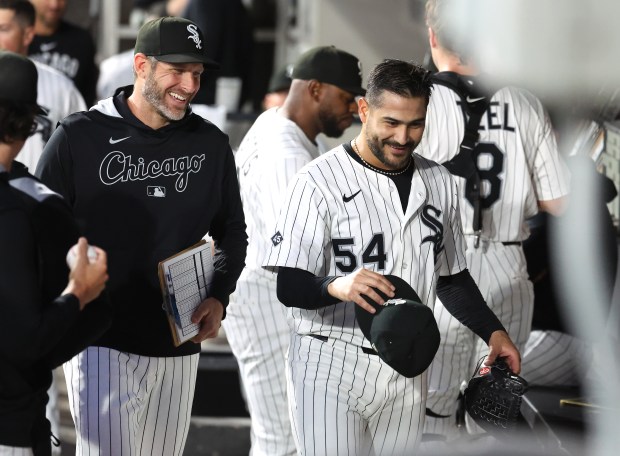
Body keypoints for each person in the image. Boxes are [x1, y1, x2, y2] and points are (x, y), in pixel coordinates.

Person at [262, 58, 521, 455]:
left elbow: (450, 277)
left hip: (408, 364)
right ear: (364, 110)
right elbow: (289, 285)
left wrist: (494, 332)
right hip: (329, 360)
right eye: (391, 123)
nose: (403, 136)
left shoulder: (439, 182)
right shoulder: (316, 181)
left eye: (415, 124)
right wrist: (336, 284)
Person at [35, 17, 247, 455]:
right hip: (99, 340)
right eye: (177, 71)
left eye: (198, 74)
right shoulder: (79, 136)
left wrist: (219, 295)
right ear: (141, 65)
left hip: (178, 342)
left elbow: (233, 231)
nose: (189, 85)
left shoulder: (210, 144)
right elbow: (38, 233)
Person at [417, 0, 570, 442]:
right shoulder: (525, 101)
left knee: (432, 406)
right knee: (494, 413)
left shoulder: (416, 100)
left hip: (441, 267)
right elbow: (558, 202)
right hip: (507, 263)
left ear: (433, 36)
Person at [225, 45, 363, 456]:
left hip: (261, 289)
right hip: (267, 292)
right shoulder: (285, 153)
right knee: (283, 438)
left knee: (283, 433)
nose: (354, 110)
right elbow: (301, 253)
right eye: (346, 98)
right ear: (316, 89)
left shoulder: (276, 123)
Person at [0, 50, 109, 456]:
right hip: (10, 425)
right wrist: (76, 296)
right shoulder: (35, 206)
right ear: (28, 125)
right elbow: (94, 313)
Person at [0, 0, 85, 172]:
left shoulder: (62, 88)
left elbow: (82, 148)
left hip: (39, 192)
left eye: (3, 29)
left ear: (27, 35)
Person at [180, 0, 254, 108]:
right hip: (232, 89)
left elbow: (204, 45)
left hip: (204, 95)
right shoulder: (236, 4)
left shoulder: (204, 3)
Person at [27, 0, 98, 105]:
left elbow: (88, 93)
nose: (54, 5)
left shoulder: (81, 40)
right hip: (24, 118)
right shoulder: (15, 38)